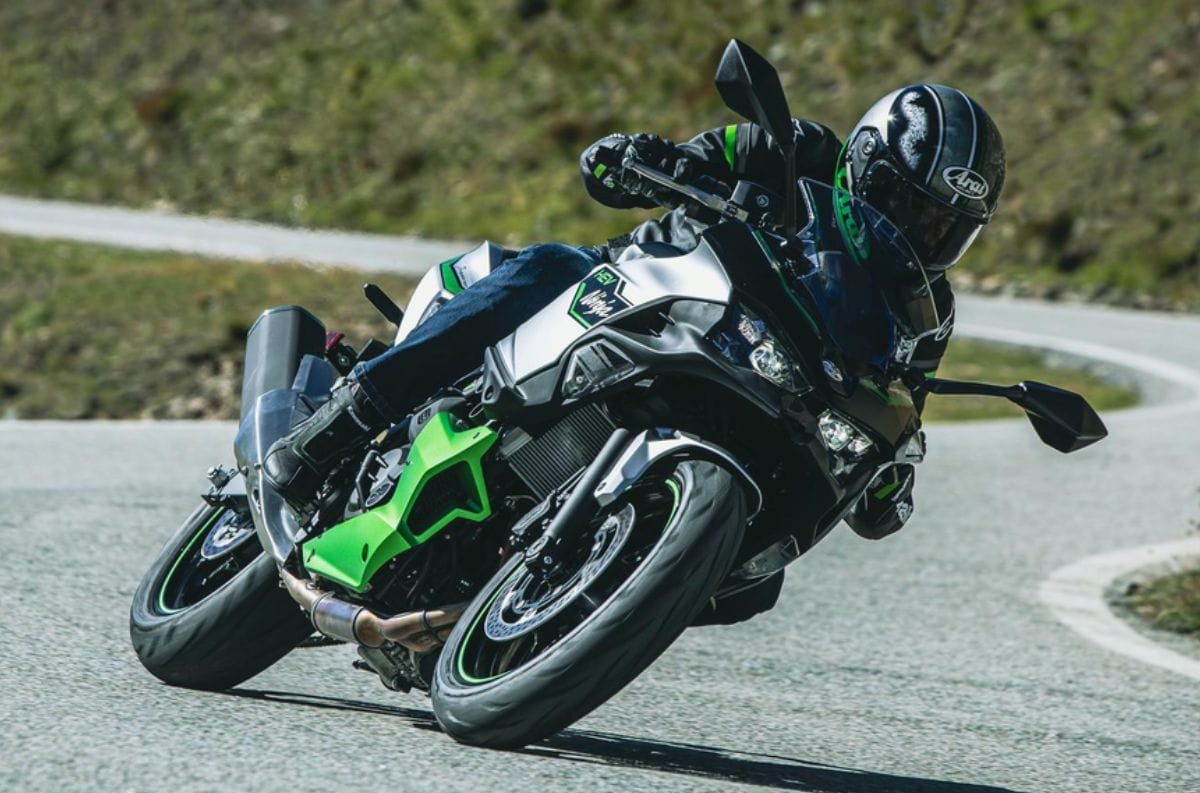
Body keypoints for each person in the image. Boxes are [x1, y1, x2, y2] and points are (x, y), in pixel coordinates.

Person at [264, 83, 1006, 548]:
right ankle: (345, 424)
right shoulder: (796, 152)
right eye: (907, 205)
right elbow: (692, 156)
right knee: (549, 266)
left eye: (942, 226)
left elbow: (902, 401)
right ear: (865, 165)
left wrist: (889, 475)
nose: (916, 232)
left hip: (761, 377)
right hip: (648, 291)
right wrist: (645, 160)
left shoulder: (926, 317)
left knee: (761, 580)